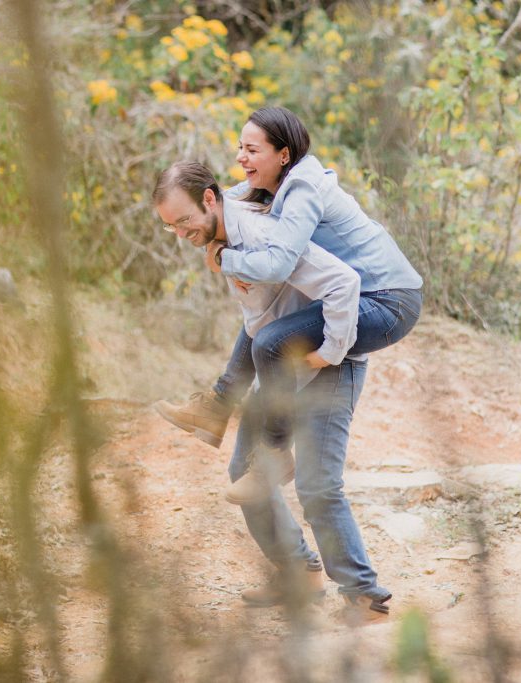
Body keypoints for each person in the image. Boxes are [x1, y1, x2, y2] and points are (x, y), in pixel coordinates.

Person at [153, 161, 393, 623]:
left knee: (318, 485)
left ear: (208, 200)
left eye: (184, 220)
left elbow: (343, 283)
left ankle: (365, 596)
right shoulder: (228, 236)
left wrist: (332, 353)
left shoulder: (259, 232)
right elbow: (261, 324)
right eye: (170, 226)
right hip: (281, 367)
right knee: (245, 471)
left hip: (328, 361)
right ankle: (298, 575)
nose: (181, 233)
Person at [155, 107, 422, 506]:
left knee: (272, 343)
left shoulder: (301, 190)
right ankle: (218, 405)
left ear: (283, 154)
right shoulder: (272, 186)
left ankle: (275, 453)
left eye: (251, 149)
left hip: (387, 299)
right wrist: (210, 233)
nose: (240, 158)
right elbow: (225, 201)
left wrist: (226, 259)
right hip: (360, 293)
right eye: (239, 148)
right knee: (262, 329)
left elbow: (279, 263)